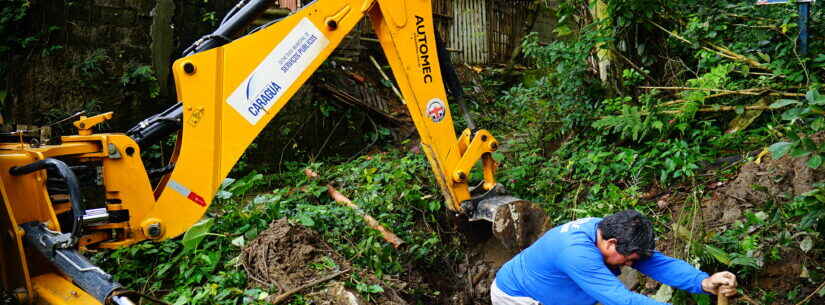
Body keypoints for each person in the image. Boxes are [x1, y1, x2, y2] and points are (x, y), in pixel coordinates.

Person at [491, 210, 737, 305]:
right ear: (611, 244)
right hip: (517, 295)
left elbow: (656, 262)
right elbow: (621, 300)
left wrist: (703, 282)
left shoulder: (613, 232)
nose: (631, 264)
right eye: (629, 259)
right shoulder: (577, 253)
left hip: (558, 287)